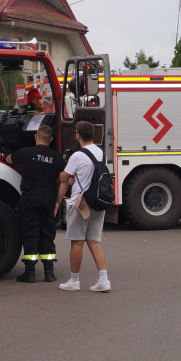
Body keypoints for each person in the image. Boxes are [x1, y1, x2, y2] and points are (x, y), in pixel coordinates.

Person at [54, 120, 110, 292]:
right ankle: (103, 280)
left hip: (81, 203)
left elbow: (63, 178)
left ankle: (74, 280)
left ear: (78, 135)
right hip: (98, 201)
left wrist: (66, 176)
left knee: (77, 242)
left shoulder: (77, 156)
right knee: (94, 241)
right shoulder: (100, 153)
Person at [6, 125, 64, 283]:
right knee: (47, 233)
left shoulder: (26, 152)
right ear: (50, 140)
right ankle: (49, 272)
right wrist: (58, 201)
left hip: (30, 197)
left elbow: (9, 159)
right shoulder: (58, 158)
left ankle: (30, 273)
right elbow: (64, 179)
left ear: (35, 137)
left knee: (30, 233)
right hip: (49, 199)